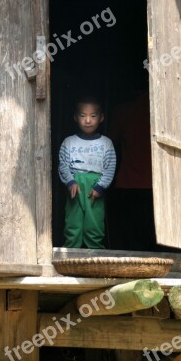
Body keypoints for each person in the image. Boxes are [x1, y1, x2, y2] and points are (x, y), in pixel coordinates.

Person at [59, 96, 116, 248]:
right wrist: (70, 182)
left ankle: (96, 254)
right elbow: (63, 165)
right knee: (72, 223)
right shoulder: (68, 142)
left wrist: (100, 187)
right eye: (83, 116)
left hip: (94, 187)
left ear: (101, 117)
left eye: (93, 115)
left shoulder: (106, 143)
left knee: (94, 224)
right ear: (75, 117)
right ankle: (71, 254)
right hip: (75, 187)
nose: (88, 120)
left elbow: (109, 167)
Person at [108, 87, 156, 251]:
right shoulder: (160, 110)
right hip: (156, 185)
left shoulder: (123, 111)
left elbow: (110, 142)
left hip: (128, 183)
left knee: (131, 237)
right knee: (152, 236)